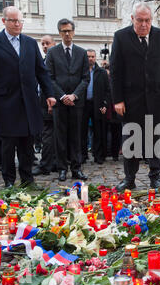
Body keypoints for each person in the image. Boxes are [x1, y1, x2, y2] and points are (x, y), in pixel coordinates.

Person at [0, 6, 56, 188]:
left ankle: (27, 180)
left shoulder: (30, 43)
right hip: (5, 103)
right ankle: (8, 181)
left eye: (20, 20)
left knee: (26, 145)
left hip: (28, 103)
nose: (17, 24)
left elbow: (41, 71)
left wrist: (50, 94)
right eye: (13, 20)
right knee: (8, 145)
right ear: (4, 21)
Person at [110, 2, 160, 191]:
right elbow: (115, 71)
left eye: (147, 20)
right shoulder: (121, 37)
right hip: (130, 101)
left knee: (155, 139)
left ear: (151, 20)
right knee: (131, 141)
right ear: (132, 19)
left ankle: (155, 176)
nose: (144, 24)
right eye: (140, 20)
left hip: (156, 99)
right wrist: (117, 100)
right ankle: (129, 178)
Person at [46, 18, 90, 182]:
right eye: (64, 31)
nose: (67, 34)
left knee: (77, 136)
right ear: (59, 33)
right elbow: (49, 78)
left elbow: (85, 78)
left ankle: (76, 168)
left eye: (69, 30)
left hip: (77, 102)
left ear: (73, 32)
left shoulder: (81, 52)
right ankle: (62, 168)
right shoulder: (52, 52)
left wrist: (74, 95)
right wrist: (63, 96)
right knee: (60, 136)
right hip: (60, 103)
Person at [33, 35, 56, 176]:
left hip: (51, 103)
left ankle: (46, 164)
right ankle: (52, 162)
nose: (45, 46)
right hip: (41, 102)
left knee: (47, 135)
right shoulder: (43, 59)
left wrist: (50, 100)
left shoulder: (53, 60)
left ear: (54, 44)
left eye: (47, 43)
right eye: (42, 44)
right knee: (47, 135)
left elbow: (51, 81)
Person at [81, 49, 109, 164]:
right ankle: (82, 156)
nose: (90, 58)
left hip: (97, 105)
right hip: (83, 105)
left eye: (92, 56)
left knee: (98, 131)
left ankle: (98, 156)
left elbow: (108, 90)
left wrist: (105, 104)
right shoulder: (80, 71)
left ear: (95, 57)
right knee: (82, 131)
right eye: (88, 56)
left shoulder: (101, 72)